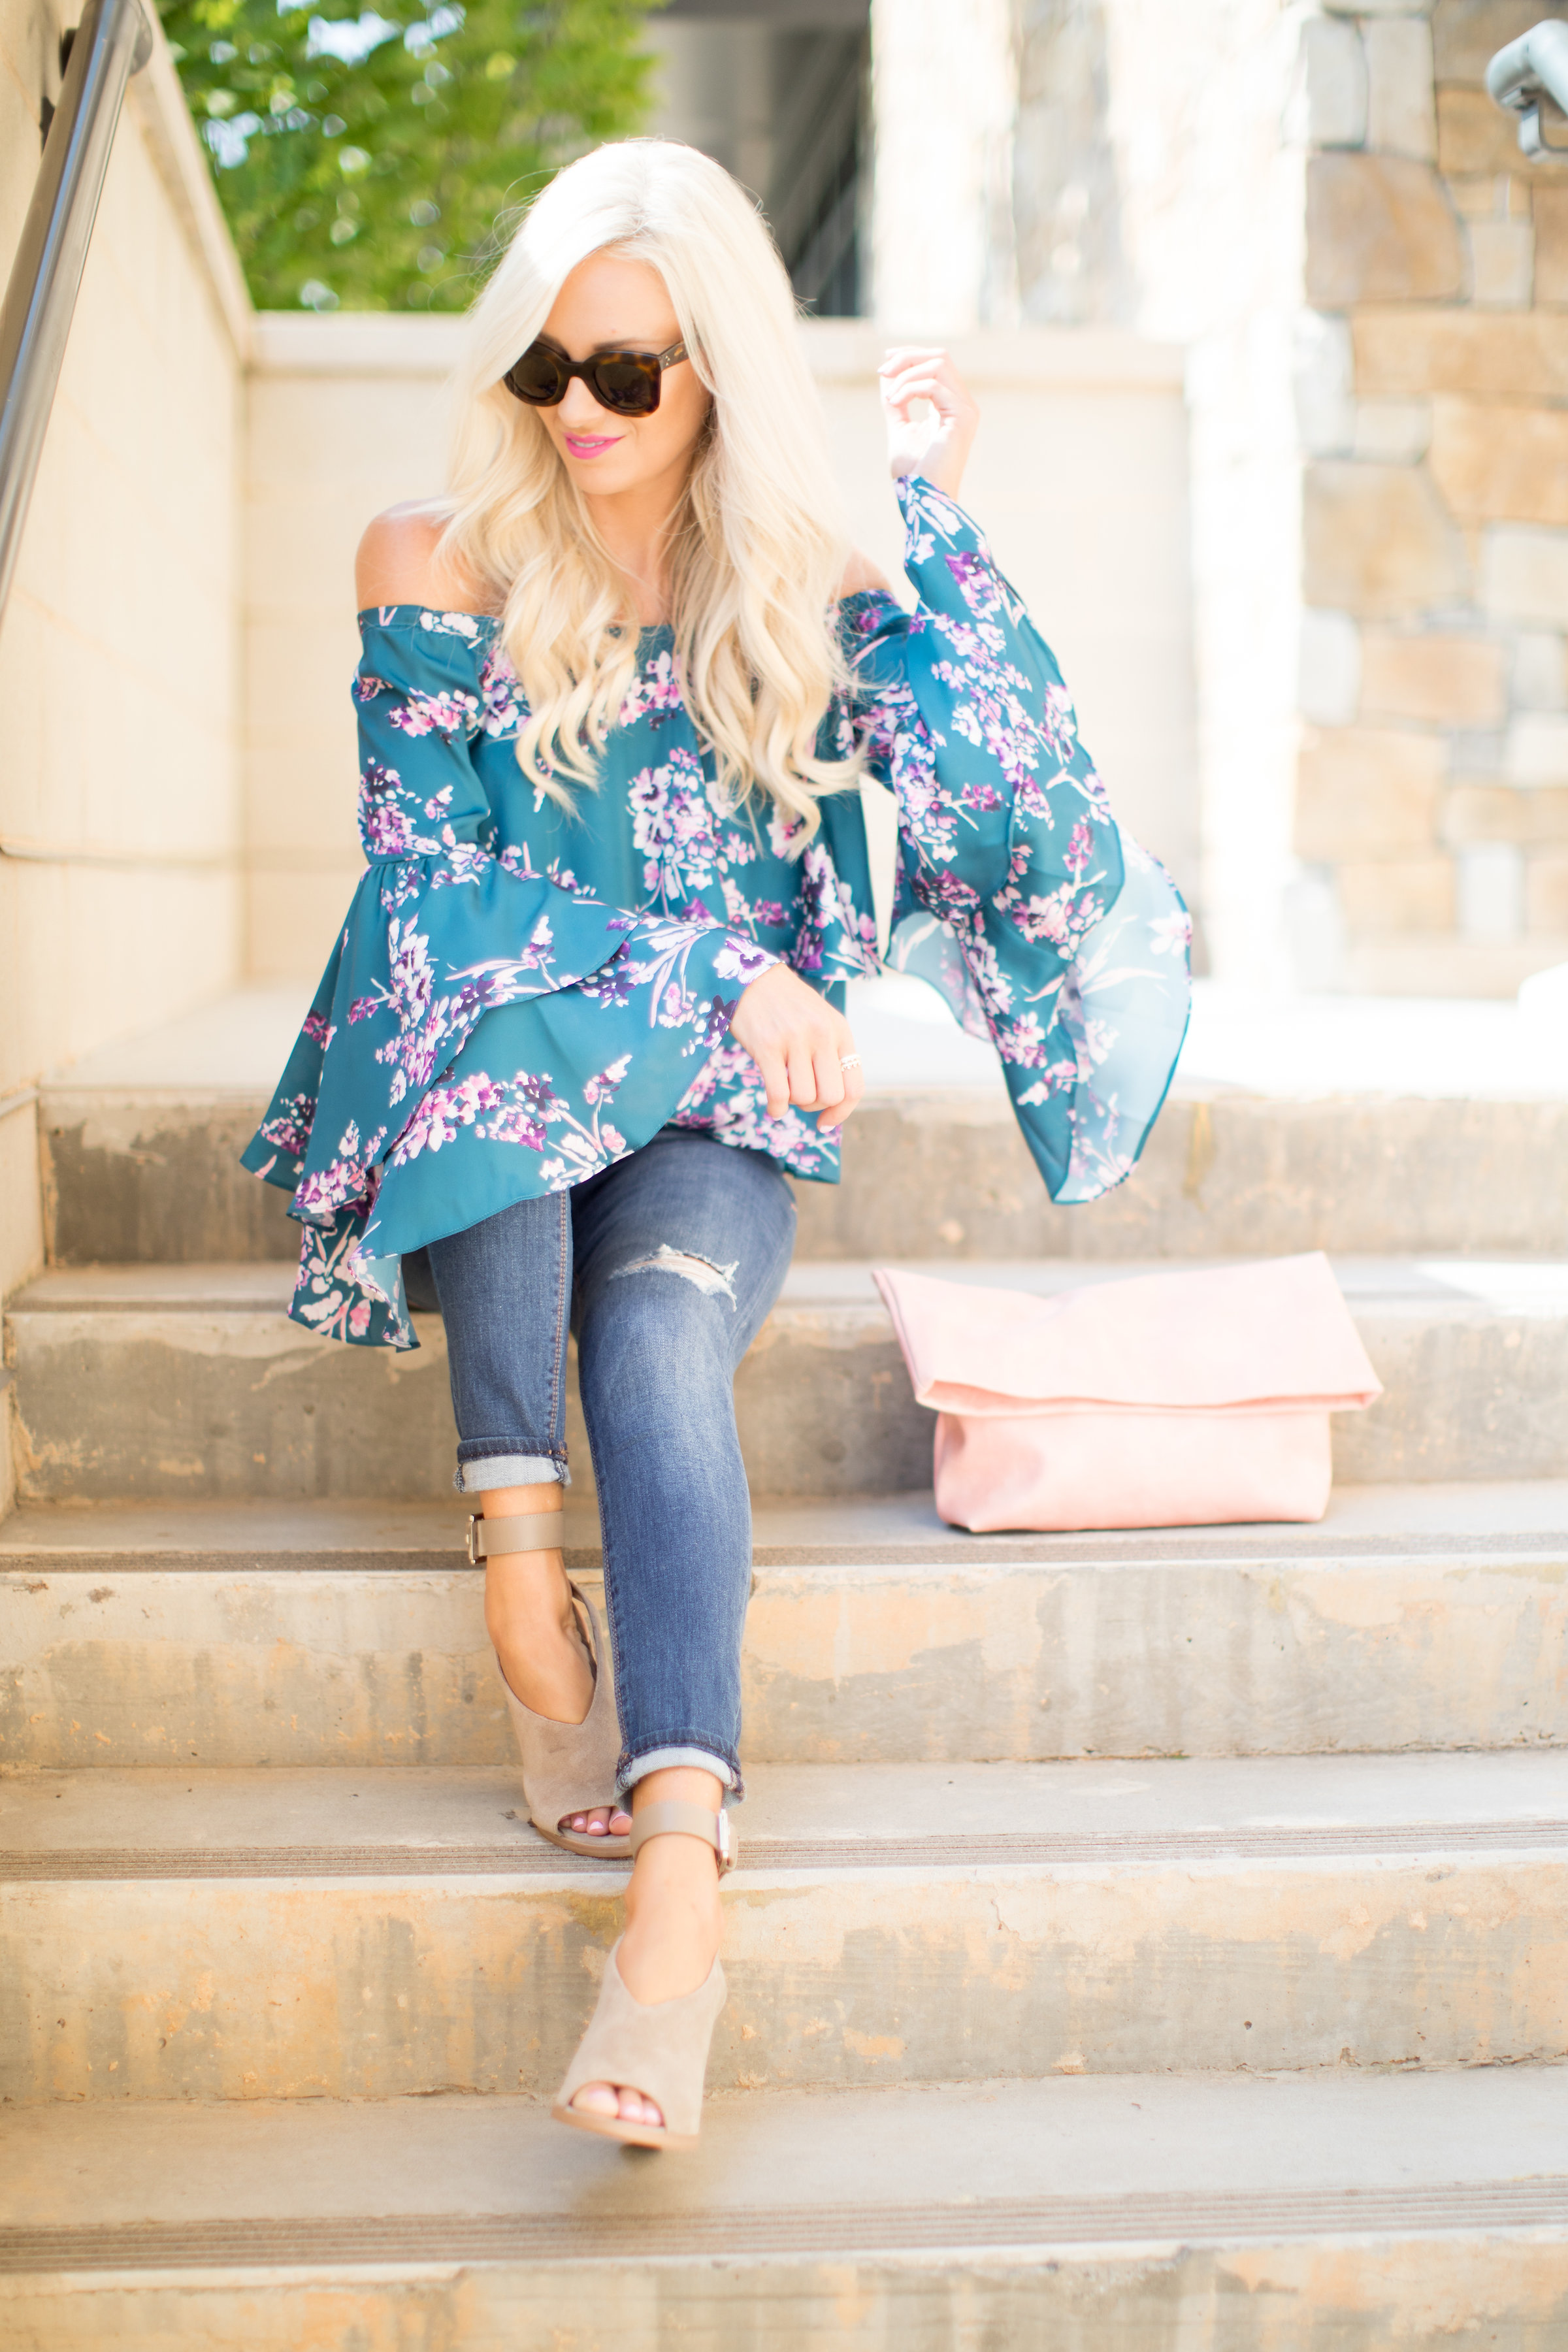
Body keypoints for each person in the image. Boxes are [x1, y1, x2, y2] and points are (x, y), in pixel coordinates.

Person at [244, 138, 1190, 2151]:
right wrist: (712, 967)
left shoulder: (798, 580)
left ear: (720, 377)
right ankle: (524, 1588)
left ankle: (679, 1887)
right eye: (546, 369)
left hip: (709, 1108)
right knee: (495, 1039)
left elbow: (1011, 806)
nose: (577, 413)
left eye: (628, 374)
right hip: (501, 1060)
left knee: (662, 1342)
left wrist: (930, 525)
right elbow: (430, 887)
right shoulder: (435, 561)